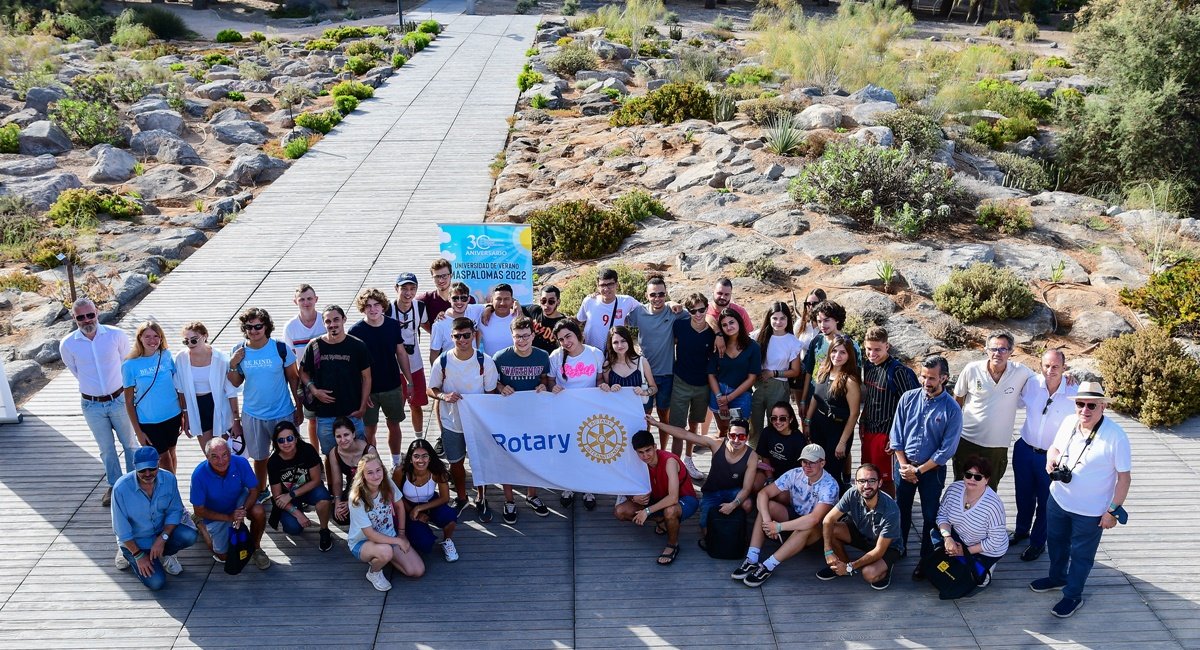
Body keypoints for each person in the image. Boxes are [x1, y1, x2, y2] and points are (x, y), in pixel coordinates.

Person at [1030, 382, 1131, 618]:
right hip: (1058, 499)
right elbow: (1054, 447)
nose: (1084, 410)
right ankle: (1057, 578)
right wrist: (1050, 460)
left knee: (1081, 556)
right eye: (1080, 404)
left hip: (1091, 511)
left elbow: (1124, 479)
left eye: (1091, 405)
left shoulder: (1116, 436)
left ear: (1103, 407)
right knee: (1055, 543)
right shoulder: (1068, 422)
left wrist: (1112, 511)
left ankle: (1072, 595)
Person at [60, 297, 138, 506]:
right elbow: (76, 371)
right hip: (91, 404)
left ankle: (133, 483)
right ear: (74, 318)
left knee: (130, 444)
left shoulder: (116, 335)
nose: (87, 320)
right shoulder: (67, 344)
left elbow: (125, 364)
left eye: (90, 315)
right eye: (81, 317)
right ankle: (115, 486)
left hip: (119, 399)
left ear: (97, 312)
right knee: (106, 448)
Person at [888, 355, 962, 576]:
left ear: (944, 378)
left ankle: (925, 560)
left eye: (931, 378)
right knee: (901, 510)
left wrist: (918, 470)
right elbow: (896, 435)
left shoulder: (952, 409)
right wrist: (904, 467)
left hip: (932, 472)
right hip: (903, 466)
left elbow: (947, 450)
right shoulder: (907, 398)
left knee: (931, 516)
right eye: (923, 376)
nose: (925, 382)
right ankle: (897, 549)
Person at [734, 444, 839, 587]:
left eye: (812, 462)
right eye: (804, 462)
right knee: (768, 506)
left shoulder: (830, 485)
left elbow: (814, 518)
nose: (807, 466)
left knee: (809, 525)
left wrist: (778, 527)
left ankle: (768, 566)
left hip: (818, 531)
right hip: (796, 518)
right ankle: (752, 558)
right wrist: (767, 522)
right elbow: (763, 493)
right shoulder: (795, 473)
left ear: (822, 463)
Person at [428, 316, 500, 522]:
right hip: (452, 422)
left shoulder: (484, 361)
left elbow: (491, 392)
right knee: (455, 463)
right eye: (457, 336)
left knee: (480, 462)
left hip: (477, 423)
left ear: (473, 335)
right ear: (451, 337)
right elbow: (431, 388)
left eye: (466, 335)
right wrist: (443, 396)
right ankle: (461, 497)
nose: (462, 340)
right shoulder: (442, 360)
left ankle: (482, 497)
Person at [1012, 349, 1078, 562]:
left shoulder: (1073, 391)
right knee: (1023, 496)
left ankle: (1038, 542)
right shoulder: (1031, 384)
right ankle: (1021, 530)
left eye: (1056, 367)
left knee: (1046, 501)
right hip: (1024, 450)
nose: (1050, 371)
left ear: (1064, 368)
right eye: (1046, 366)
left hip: (1051, 457)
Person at [647, 416, 757, 542]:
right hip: (712, 492)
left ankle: (737, 526)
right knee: (706, 532)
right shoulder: (716, 444)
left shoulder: (751, 456)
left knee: (747, 504)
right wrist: (657, 424)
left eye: (741, 437)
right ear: (727, 435)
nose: (736, 440)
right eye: (733, 435)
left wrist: (733, 504)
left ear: (747, 437)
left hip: (734, 491)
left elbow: (747, 488)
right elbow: (685, 434)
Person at [228, 307, 302, 493]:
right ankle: (262, 491)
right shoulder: (239, 350)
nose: (253, 331)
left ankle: (293, 491)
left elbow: (294, 379)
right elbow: (235, 382)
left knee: (290, 454)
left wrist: (299, 408)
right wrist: (233, 364)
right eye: (249, 327)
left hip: (282, 412)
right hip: (253, 414)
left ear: (267, 326)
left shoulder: (280, 348)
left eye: (258, 326)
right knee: (259, 458)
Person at [954, 331, 1036, 489]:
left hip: (997, 446)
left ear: (1011, 352)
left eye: (1003, 349)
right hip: (967, 441)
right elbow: (957, 402)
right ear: (986, 350)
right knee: (960, 486)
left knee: (990, 489)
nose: (997, 353)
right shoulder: (971, 369)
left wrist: (1064, 375)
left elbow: (1044, 380)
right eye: (993, 349)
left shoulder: (1021, 372)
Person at [492, 317, 553, 521]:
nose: (522, 340)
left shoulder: (543, 356)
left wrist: (543, 386)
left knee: (532, 455)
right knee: (506, 457)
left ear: (533, 336)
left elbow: (545, 379)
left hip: (533, 415)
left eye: (526, 336)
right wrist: (501, 387)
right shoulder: (500, 357)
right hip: (507, 416)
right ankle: (509, 500)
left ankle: (531, 495)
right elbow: (493, 383)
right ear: (512, 336)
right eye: (518, 336)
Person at [111, 447, 198, 589]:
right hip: (136, 541)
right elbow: (121, 530)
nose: (147, 474)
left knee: (189, 536)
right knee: (157, 583)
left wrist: (163, 538)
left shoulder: (169, 479)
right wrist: (138, 555)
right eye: (142, 470)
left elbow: (175, 511)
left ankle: (165, 553)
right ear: (135, 468)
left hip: (161, 532)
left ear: (158, 463)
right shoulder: (120, 489)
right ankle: (127, 552)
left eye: (152, 468)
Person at [614, 430, 700, 566]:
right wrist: (633, 497)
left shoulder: (669, 461)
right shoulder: (638, 463)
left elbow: (673, 498)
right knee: (620, 511)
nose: (645, 456)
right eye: (640, 452)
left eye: (648, 450)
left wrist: (647, 511)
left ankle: (672, 545)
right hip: (658, 499)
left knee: (670, 511)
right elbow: (624, 485)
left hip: (685, 499)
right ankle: (661, 520)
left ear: (655, 447)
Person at [299, 305, 372, 457]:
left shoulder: (358, 345)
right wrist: (314, 390)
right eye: (328, 321)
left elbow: (366, 377)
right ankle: (333, 482)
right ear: (324, 324)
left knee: (358, 455)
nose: (332, 324)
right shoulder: (315, 345)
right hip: (325, 414)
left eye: (336, 319)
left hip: (352, 412)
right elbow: (303, 373)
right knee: (330, 455)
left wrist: (363, 407)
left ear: (344, 319)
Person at [549, 319, 605, 510]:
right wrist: (552, 387)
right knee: (568, 450)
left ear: (577, 334)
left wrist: (602, 387)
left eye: (568, 336)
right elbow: (549, 380)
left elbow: (598, 379)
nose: (565, 342)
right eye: (561, 339)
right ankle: (569, 486)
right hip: (564, 412)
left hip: (590, 412)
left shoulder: (595, 353)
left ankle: (588, 487)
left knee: (589, 449)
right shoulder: (556, 356)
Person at [819, 464, 904, 590]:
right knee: (832, 529)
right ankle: (842, 564)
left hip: (887, 547)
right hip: (862, 534)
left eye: (872, 481)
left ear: (880, 483)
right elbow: (828, 520)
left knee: (869, 574)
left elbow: (879, 551)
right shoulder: (852, 493)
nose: (866, 486)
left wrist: (851, 567)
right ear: (855, 482)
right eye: (862, 481)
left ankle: (883, 568)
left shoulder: (891, 510)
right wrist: (828, 551)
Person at [347, 453, 425, 591]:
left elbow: (400, 505)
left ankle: (383, 558)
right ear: (362, 475)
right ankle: (374, 572)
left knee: (417, 571)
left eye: (378, 470)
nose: (376, 476)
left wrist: (401, 534)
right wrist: (399, 542)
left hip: (389, 536)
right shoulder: (357, 499)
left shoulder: (386, 483)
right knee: (386, 551)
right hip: (363, 542)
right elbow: (370, 534)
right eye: (369, 473)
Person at [190, 437, 270, 570]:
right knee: (223, 557)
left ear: (230, 453)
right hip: (216, 512)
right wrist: (229, 517)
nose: (221, 461)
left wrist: (242, 510)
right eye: (215, 456)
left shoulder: (241, 462)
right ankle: (200, 524)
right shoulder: (198, 475)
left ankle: (256, 548)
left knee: (258, 511)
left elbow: (254, 490)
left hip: (238, 501)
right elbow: (199, 510)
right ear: (207, 456)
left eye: (224, 455)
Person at [349, 288, 412, 455]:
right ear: (363, 308)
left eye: (376, 305)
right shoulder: (356, 331)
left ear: (383, 306)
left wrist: (409, 381)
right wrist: (362, 393)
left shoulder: (392, 325)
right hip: (368, 390)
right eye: (368, 306)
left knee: (394, 424)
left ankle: (396, 461)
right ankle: (372, 460)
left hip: (392, 385)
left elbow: (401, 353)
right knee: (369, 429)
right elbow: (353, 368)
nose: (373, 309)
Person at [859, 326, 919, 497]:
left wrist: (895, 437)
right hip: (869, 431)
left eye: (877, 349)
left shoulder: (898, 371)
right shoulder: (868, 367)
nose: (872, 354)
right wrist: (862, 423)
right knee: (869, 475)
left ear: (887, 346)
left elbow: (911, 408)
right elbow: (871, 398)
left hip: (887, 436)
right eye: (868, 349)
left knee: (885, 479)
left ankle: (891, 512)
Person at [934, 455, 1009, 589]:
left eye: (978, 477)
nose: (972, 479)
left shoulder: (993, 505)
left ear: (987, 480)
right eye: (968, 475)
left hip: (986, 549)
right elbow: (942, 515)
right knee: (937, 550)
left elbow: (995, 540)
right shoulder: (954, 489)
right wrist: (948, 538)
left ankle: (986, 566)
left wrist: (965, 551)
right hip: (960, 538)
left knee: (977, 581)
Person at [624, 275, 688, 424]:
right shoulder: (639, 312)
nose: (657, 298)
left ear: (666, 294)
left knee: (664, 415)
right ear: (647, 295)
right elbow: (620, 319)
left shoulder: (673, 312)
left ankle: (663, 448)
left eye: (661, 294)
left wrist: (673, 303)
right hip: (644, 374)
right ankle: (646, 446)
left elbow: (696, 316)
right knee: (644, 415)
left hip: (667, 374)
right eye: (653, 294)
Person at [667, 293, 716, 479]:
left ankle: (688, 460)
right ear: (688, 311)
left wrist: (718, 333)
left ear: (706, 308)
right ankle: (674, 463)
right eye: (693, 310)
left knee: (694, 424)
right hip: (681, 381)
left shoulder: (712, 332)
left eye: (701, 309)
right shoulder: (679, 326)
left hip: (702, 384)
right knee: (677, 428)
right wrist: (671, 302)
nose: (698, 314)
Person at [122, 321, 182, 473]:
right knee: (163, 459)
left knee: (172, 453)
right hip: (149, 420)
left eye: (156, 336)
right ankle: (171, 492)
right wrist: (138, 431)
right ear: (140, 338)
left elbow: (178, 386)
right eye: (147, 336)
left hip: (173, 415)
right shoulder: (129, 365)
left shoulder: (166, 355)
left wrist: (184, 414)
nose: (152, 340)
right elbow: (129, 402)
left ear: (161, 339)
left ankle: (171, 488)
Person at [803, 334, 861, 489]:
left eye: (843, 352)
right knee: (816, 469)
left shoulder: (850, 381)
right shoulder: (823, 370)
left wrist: (842, 443)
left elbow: (854, 414)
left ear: (849, 355)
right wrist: (807, 422)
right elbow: (816, 397)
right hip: (818, 425)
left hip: (838, 430)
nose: (837, 356)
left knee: (832, 472)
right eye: (834, 351)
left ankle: (834, 509)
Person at [175, 322, 241, 455]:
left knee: (225, 454)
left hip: (219, 405)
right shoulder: (181, 358)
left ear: (204, 336)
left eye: (194, 340)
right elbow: (181, 390)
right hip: (197, 407)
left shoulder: (220, 358)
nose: (190, 344)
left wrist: (236, 421)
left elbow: (231, 392)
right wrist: (186, 416)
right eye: (186, 341)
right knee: (210, 454)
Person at [267, 421, 334, 551]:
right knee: (294, 529)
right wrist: (298, 514)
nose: (286, 443)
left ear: (296, 438)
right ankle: (299, 510)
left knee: (324, 497)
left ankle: (324, 530)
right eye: (281, 440)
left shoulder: (307, 450)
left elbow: (315, 480)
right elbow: (277, 496)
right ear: (276, 442)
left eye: (289, 438)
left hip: (305, 490)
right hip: (287, 498)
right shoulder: (273, 462)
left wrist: (292, 494)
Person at [393, 439, 459, 561]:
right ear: (410, 458)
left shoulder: (437, 471)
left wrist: (419, 508)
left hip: (430, 502)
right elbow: (396, 497)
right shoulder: (400, 472)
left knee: (449, 516)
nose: (420, 461)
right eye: (416, 456)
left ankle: (447, 541)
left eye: (424, 456)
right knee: (424, 543)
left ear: (430, 457)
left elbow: (445, 498)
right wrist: (414, 513)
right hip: (407, 505)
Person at [388, 273, 430, 460]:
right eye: (404, 288)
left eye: (412, 288)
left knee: (417, 404)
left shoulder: (419, 307)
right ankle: (395, 454)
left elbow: (429, 326)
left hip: (415, 363)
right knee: (396, 410)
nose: (408, 292)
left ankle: (418, 440)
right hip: (393, 367)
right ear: (396, 288)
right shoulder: (387, 308)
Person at [750, 302, 803, 444]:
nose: (778, 322)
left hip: (779, 387)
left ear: (788, 320)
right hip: (757, 386)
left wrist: (774, 373)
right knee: (754, 425)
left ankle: (773, 457)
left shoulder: (793, 342)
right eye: (775, 318)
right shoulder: (757, 336)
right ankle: (755, 458)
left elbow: (795, 371)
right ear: (769, 318)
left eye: (782, 318)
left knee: (776, 424)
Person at [707, 307, 762, 439]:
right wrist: (721, 398)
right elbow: (711, 374)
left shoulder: (753, 347)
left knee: (739, 434)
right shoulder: (718, 344)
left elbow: (752, 378)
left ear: (739, 322)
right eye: (724, 325)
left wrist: (729, 398)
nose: (729, 327)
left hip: (741, 394)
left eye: (732, 322)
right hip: (718, 392)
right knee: (723, 431)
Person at [283, 284, 325, 450]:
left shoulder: (325, 320)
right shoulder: (290, 327)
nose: (306, 303)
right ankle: (316, 456)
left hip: (328, 375)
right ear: (295, 302)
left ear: (316, 299)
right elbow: (289, 359)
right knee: (312, 420)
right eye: (302, 299)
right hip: (305, 377)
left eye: (309, 299)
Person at [799, 300, 862, 409]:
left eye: (826, 320)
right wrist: (803, 400)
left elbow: (856, 378)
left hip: (839, 402)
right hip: (814, 397)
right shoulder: (816, 341)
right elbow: (809, 372)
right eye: (819, 321)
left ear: (837, 320)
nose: (822, 325)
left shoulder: (851, 345)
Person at [575, 268, 642, 351]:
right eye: (602, 285)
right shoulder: (589, 301)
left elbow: (645, 311)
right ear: (597, 286)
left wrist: (627, 320)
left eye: (610, 284)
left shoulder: (627, 301)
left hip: (614, 353)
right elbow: (579, 320)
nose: (606, 289)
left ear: (617, 284)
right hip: (592, 353)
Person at [329, 416, 377, 526]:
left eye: (346, 435)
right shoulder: (334, 453)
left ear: (353, 434)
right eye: (338, 436)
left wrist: (352, 503)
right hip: (353, 487)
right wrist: (337, 501)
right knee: (340, 517)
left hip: (370, 488)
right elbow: (337, 482)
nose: (343, 440)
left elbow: (376, 481)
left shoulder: (369, 450)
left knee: (369, 512)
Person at [428, 282, 485, 365]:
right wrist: (437, 374)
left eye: (463, 298)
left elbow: (493, 306)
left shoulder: (475, 310)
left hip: (473, 367)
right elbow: (434, 353)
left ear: (469, 299)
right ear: (449, 299)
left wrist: (488, 310)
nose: (459, 302)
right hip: (450, 369)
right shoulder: (439, 324)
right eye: (455, 298)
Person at [600, 325, 658, 404]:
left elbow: (654, 388)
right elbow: (606, 391)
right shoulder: (607, 365)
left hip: (638, 410)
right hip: (616, 411)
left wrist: (644, 392)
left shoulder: (642, 362)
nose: (620, 345)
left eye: (623, 341)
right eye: (615, 342)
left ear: (629, 341)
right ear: (611, 345)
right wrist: (610, 388)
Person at [755, 401, 807, 485]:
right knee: (755, 483)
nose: (778, 422)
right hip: (768, 472)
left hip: (788, 477)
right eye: (774, 418)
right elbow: (765, 456)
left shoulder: (799, 439)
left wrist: (778, 484)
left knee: (781, 497)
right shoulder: (767, 432)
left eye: (782, 418)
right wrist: (770, 477)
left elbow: (799, 468)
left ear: (791, 419)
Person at [790, 289, 826, 410]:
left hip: (821, 371)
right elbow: (793, 346)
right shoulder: (801, 324)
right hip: (802, 369)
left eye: (814, 304)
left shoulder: (826, 325)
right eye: (808, 304)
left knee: (817, 407)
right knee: (802, 407)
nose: (811, 307)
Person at [417, 258, 473, 328]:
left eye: (444, 276)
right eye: (437, 277)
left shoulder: (466, 299)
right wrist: (433, 331)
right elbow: (408, 305)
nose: (441, 280)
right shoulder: (425, 300)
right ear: (432, 278)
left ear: (451, 276)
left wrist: (488, 308)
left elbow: (480, 315)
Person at [522, 284, 566, 353]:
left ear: (558, 302)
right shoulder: (535, 311)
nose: (546, 305)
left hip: (550, 362)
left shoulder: (564, 323)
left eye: (551, 301)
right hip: (530, 359)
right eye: (543, 301)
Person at [476, 283, 518, 356]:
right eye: (498, 299)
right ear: (492, 300)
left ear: (512, 301)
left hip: (513, 366)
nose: (502, 303)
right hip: (490, 366)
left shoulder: (518, 318)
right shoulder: (482, 318)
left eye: (506, 299)